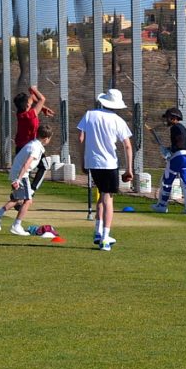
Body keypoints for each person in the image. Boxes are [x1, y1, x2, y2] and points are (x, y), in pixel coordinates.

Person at [77, 88, 134, 252]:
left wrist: (83, 160)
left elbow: (80, 138)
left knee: (102, 195)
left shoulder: (89, 115)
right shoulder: (118, 121)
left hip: (93, 163)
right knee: (108, 199)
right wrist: (129, 169)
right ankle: (104, 238)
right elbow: (127, 145)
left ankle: (98, 231)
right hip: (109, 163)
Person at [0, 125, 52, 236]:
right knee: (28, 201)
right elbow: (27, 163)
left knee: (17, 199)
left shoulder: (33, 144)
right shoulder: (36, 148)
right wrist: (18, 179)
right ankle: (16, 226)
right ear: (46, 138)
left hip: (17, 172)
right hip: (21, 174)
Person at [151, 107, 186, 214]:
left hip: (177, 158)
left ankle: (162, 205)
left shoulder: (175, 128)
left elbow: (179, 143)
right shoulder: (183, 128)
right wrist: (169, 149)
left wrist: (169, 151)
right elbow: (183, 145)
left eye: (167, 118)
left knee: (166, 181)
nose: (166, 120)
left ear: (173, 118)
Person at [14, 85, 55, 192]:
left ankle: (18, 195)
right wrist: (34, 89)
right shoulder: (30, 115)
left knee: (23, 172)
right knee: (44, 166)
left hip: (20, 147)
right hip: (30, 147)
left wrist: (43, 108)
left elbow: (34, 100)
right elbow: (42, 99)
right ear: (28, 105)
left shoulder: (21, 113)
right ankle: (31, 190)